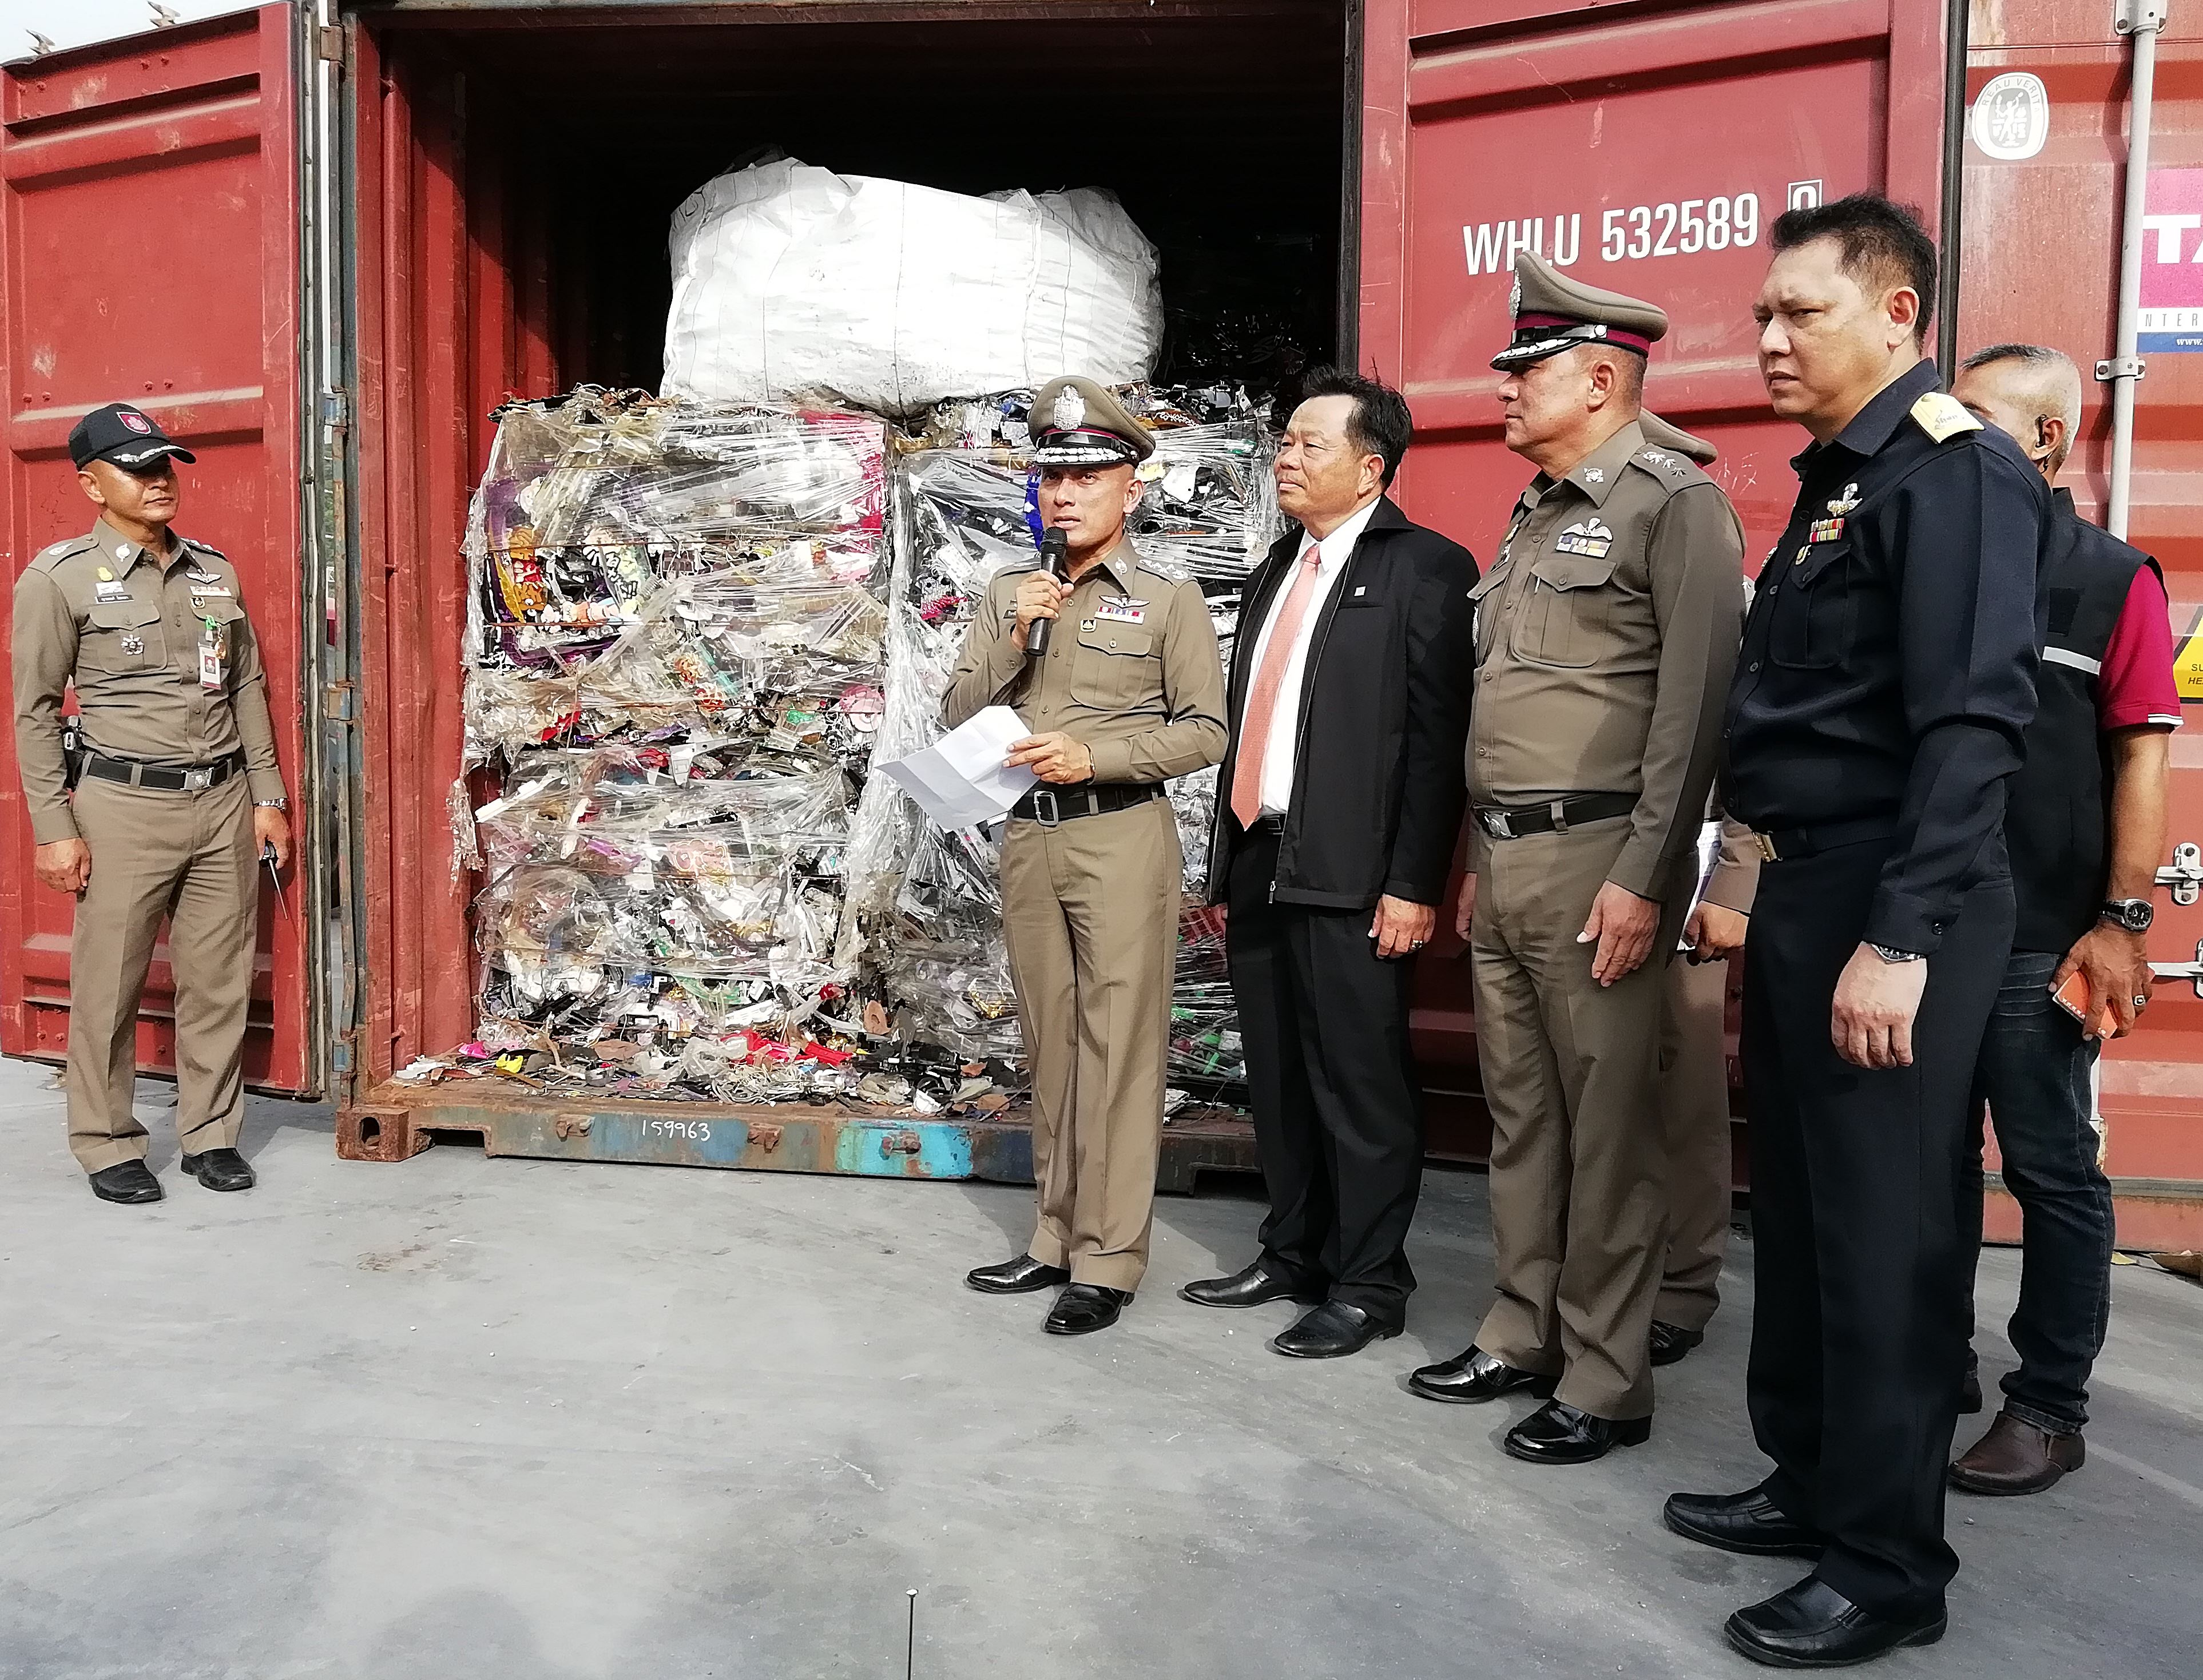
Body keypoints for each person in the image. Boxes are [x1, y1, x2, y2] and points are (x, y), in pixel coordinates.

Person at [1664, 195, 2046, 1669]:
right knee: (1812, 1213)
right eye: (1763, 313)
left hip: (1898, 894)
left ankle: (1887, 1564)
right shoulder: (1845, 483)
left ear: (1897, 313)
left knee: (1891, 1236)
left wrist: (1902, 936)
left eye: (1800, 312)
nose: (1768, 337)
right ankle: (1812, 1477)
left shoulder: (1955, 474)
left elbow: (1972, 726)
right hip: (1810, 887)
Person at [1406, 253, 1744, 1464]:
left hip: (1605, 854)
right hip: (1511, 857)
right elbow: (1509, 701)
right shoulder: (1537, 510)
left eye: (1527, 370)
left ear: (1600, 378)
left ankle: (1606, 1376)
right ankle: (1522, 1328)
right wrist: (1474, 857)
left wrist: (1648, 876)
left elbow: (1697, 717)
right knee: (1524, 1117)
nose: (1503, 389)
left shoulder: (1674, 503)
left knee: (1611, 1133)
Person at [1178, 368, 1476, 1359]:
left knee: (1359, 1083)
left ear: (1371, 468)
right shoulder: (1281, 564)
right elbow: (1252, 726)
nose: (1287, 459)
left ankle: (1369, 1281)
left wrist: (1413, 883)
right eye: (1284, 442)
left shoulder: (1426, 568)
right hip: (1264, 856)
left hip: (1356, 875)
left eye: (1310, 444)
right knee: (1277, 1076)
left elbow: (1437, 745)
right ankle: (1293, 1250)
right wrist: (1226, 868)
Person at [943, 376, 1227, 1336]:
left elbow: (1206, 731)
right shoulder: (1009, 593)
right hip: (1030, 836)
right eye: (1052, 477)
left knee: (1118, 1046)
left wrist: (1094, 755)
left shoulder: (1167, 599)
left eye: (1088, 477)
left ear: (1131, 489)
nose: (1065, 495)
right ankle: (1053, 1235)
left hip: (1119, 833)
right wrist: (1014, 633)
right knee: (1051, 1043)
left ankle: (1108, 1257)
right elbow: (957, 712)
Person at [1946, 344, 2178, 1493]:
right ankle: (1930, 1358)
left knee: (2050, 1168)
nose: (1949, 439)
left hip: (2040, 935)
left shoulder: (2110, 578)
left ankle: (2048, 1404)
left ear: (2045, 438)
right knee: (1925, 1161)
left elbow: (2141, 759)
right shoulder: (1929, 559)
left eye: (1975, 417)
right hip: (1924, 924)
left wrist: (2122, 922)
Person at [11, 403, 292, 1204]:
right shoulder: (59, 578)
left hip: (222, 801)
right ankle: (107, 1141)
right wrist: (54, 827)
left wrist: (267, 795)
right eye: (138, 469)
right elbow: (34, 712)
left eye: (165, 465)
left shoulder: (214, 572)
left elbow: (245, 687)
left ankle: (211, 1136)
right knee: (110, 984)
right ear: (91, 484)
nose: (159, 480)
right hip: (124, 806)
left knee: (219, 980)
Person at [1639, 414, 1759, 1369]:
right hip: (1597, 859)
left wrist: (1738, 879)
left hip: (1692, 866)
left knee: (1681, 1088)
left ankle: (1684, 1283)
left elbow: (1748, 744)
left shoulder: (1725, 583)